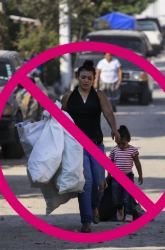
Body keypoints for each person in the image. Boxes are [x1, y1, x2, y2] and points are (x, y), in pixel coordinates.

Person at [61, 60, 121, 233]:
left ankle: (95, 206)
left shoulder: (99, 95)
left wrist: (114, 129)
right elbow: (60, 119)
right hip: (76, 147)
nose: (86, 81)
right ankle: (86, 220)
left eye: (89, 78)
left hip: (96, 145)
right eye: (83, 77)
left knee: (99, 183)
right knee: (85, 184)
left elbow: (108, 113)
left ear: (94, 79)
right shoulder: (68, 97)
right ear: (77, 77)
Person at [108, 125, 143, 222]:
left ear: (128, 140)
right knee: (116, 198)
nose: (121, 146)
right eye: (119, 144)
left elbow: (137, 162)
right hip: (116, 178)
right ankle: (120, 209)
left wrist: (140, 174)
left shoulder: (132, 150)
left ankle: (129, 214)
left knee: (127, 196)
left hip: (128, 176)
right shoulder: (114, 150)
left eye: (123, 144)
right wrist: (109, 175)